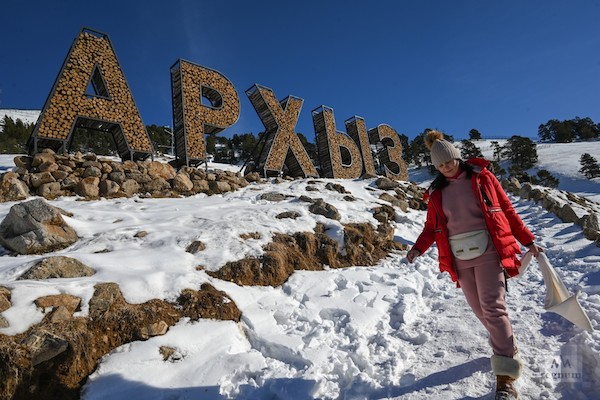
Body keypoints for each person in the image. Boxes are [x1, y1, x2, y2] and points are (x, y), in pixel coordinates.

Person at [406, 130, 541, 400]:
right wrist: (417, 249)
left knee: (493, 308)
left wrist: (528, 241)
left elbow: (507, 210)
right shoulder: (435, 192)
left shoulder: (482, 178)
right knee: (480, 311)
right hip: (459, 257)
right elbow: (431, 228)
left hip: (489, 251)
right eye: (440, 165)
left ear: (458, 157)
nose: (446, 168)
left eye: (449, 162)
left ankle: (505, 377)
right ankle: (507, 346)